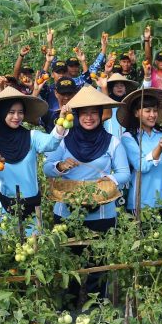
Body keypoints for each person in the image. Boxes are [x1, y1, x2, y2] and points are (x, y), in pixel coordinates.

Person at [43, 86, 132, 231]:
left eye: (94, 113)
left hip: (102, 215)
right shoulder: (64, 139)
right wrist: (60, 166)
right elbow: (47, 168)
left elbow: (124, 173)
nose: (89, 118)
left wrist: (110, 180)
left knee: (101, 252)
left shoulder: (112, 142)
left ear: (101, 114)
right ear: (77, 115)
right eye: (84, 113)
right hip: (66, 213)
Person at [0, 86, 65, 222]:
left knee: (34, 242)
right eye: (11, 112)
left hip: (32, 207)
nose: (16, 117)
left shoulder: (31, 137)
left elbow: (51, 143)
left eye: (20, 112)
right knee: (6, 243)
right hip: (2, 210)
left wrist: (62, 122)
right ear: (1, 113)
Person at [117, 88, 162, 215]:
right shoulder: (129, 137)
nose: (152, 115)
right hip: (140, 201)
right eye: (147, 111)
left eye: (155, 111)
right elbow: (142, 166)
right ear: (136, 113)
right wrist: (160, 147)